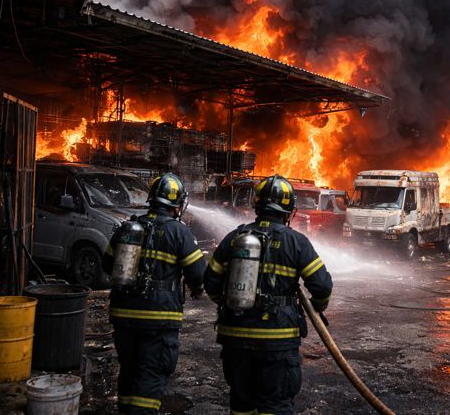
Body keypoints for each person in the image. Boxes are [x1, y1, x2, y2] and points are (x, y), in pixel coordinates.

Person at [205, 174, 333, 415]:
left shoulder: (235, 237)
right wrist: (318, 306)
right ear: (289, 210)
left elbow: (211, 281)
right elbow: (322, 286)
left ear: (257, 205)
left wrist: (231, 304)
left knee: (242, 404)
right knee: (274, 405)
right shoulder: (296, 242)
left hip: (235, 337)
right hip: (278, 340)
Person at [101, 172, 206, 414]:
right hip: (158, 319)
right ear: (177, 204)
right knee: (150, 377)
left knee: (129, 371)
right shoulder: (179, 232)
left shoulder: (129, 227)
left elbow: (107, 264)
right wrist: (196, 288)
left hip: (123, 316)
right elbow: (198, 274)